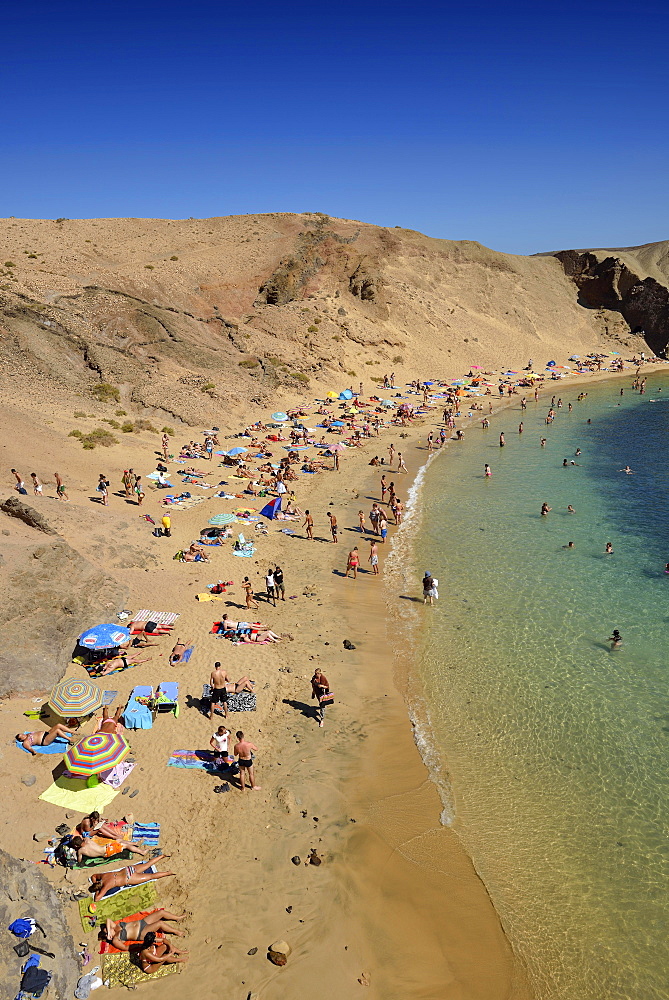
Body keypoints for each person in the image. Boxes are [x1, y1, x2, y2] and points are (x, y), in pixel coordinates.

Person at [90, 857, 175, 902]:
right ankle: (162, 856)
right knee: (147, 864)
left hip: (129, 878)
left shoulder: (106, 886)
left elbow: (97, 899)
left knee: (151, 876)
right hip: (128, 869)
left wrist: (98, 891)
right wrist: (95, 882)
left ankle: (168, 873)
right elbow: (93, 876)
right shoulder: (103, 876)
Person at [100, 910, 186, 951]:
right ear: (108, 936)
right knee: (160, 923)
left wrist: (108, 931)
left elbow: (108, 920)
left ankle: (177, 918)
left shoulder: (115, 927)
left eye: (108, 928)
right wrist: (139, 945)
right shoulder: (115, 939)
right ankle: (176, 932)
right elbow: (125, 947)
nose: (110, 928)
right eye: (108, 930)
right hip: (141, 933)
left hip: (142, 922)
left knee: (161, 913)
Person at [70, 835, 147, 864]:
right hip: (107, 850)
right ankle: (141, 852)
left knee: (119, 841)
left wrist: (77, 853)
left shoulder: (81, 851)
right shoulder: (87, 840)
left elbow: (79, 860)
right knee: (125, 846)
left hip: (105, 852)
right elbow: (86, 837)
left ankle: (135, 844)